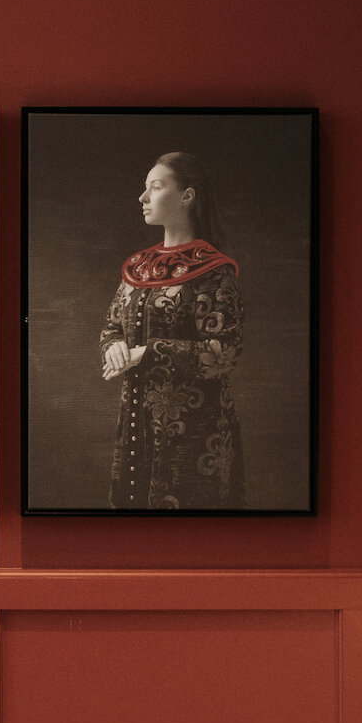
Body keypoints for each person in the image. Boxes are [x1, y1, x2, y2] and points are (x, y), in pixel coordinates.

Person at [102, 150, 245, 509]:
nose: (143, 197)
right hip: (135, 425)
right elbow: (112, 326)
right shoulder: (138, 267)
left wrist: (148, 353)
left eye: (155, 187)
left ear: (187, 196)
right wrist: (114, 346)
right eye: (145, 188)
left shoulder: (214, 271)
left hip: (193, 435)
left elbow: (225, 351)